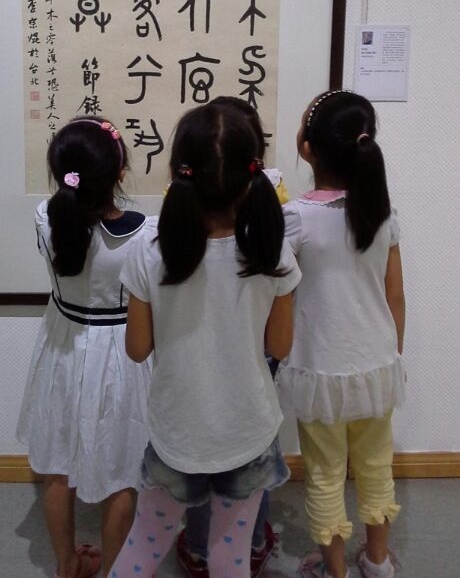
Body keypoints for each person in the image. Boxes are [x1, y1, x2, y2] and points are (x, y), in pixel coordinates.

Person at [106, 102, 301, 578]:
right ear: (253, 175)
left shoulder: (149, 251)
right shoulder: (271, 249)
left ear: (179, 171)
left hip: (177, 432)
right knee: (230, 557)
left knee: (143, 547)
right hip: (248, 430)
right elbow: (280, 348)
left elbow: (137, 349)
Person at [275, 91, 406, 578]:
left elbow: (278, 293)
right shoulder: (382, 214)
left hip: (319, 368)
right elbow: (396, 295)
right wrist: (392, 354)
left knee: (325, 472)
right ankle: (377, 562)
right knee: (376, 465)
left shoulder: (295, 218)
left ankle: (335, 571)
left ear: (307, 149)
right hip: (376, 365)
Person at [16, 117, 152, 578]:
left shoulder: (45, 217)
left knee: (58, 465)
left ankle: (67, 564)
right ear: (120, 172)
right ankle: (114, 569)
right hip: (122, 353)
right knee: (122, 470)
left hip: (62, 345)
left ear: (61, 173)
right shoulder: (143, 233)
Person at [176, 95, 289, 578]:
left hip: (195, 373)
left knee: (203, 457)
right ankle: (246, 542)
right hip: (252, 359)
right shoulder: (273, 224)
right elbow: (279, 345)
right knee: (247, 457)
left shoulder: (161, 239)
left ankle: (201, 547)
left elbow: (139, 346)